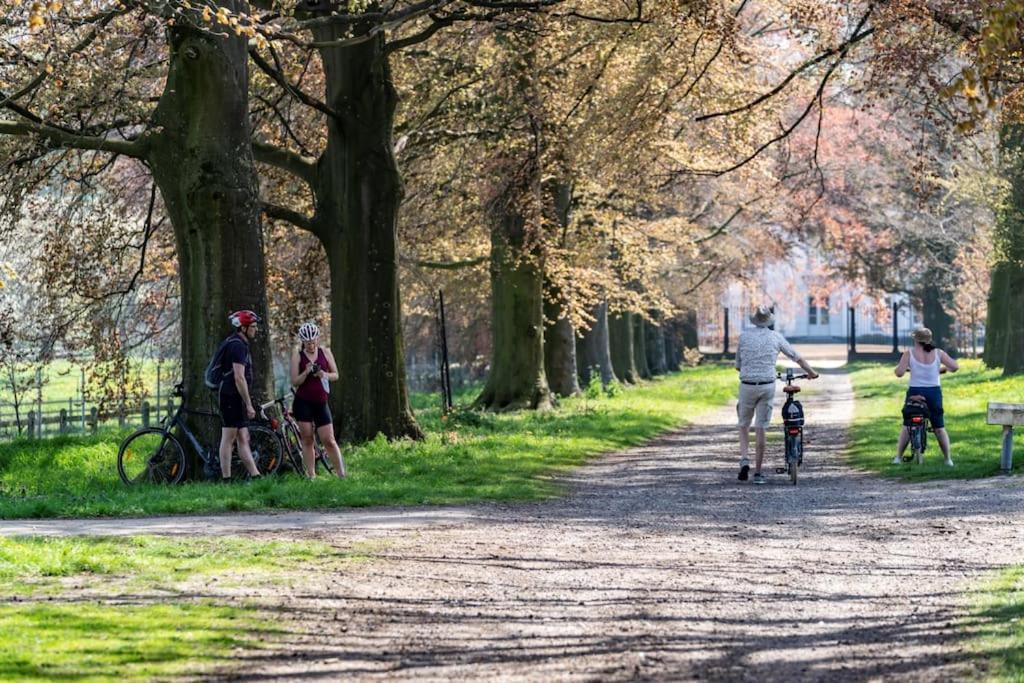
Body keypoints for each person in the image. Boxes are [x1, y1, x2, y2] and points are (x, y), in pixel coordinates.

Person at [735, 305, 819, 484]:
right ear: (768, 321)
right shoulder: (775, 337)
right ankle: (758, 473)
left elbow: (738, 366)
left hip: (747, 385)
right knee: (761, 428)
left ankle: (744, 460)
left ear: (754, 320)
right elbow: (796, 357)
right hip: (767, 386)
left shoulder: (743, 337)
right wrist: (811, 372)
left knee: (743, 425)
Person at [893, 327, 958, 466]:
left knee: (907, 425)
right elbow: (955, 367)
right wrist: (941, 369)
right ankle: (948, 459)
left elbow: (899, 373)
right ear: (929, 339)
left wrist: (901, 369)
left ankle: (898, 458)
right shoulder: (938, 353)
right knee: (939, 427)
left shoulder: (908, 354)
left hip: (915, 393)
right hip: (933, 393)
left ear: (915, 339)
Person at [290, 321, 346, 479]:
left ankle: (342, 475)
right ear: (303, 342)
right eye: (308, 343)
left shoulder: (325, 352)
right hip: (303, 402)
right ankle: (311, 476)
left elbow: (336, 375)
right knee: (307, 439)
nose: (311, 345)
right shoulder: (297, 356)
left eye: (313, 342)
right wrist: (306, 372)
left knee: (329, 439)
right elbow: (294, 381)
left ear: (317, 339)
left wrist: (324, 375)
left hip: (321, 402)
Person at [217, 310, 262, 480]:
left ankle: (256, 475)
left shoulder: (238, 343)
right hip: (230, 396)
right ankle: (226, 478)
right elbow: (239, 377)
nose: (255, 330)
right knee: (228, 437)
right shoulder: (237, 346)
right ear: (243, 328)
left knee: (243, 436)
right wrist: (248, 404)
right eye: (253, 326)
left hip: (235, 397)